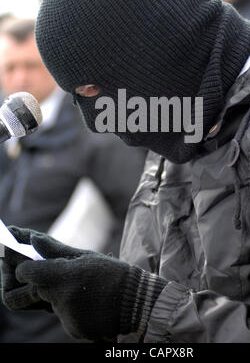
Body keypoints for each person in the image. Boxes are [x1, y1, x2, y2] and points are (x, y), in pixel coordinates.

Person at [1, 0, 250, 343]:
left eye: (92, 92)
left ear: (155, 53)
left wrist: (138, 305)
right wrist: (88, 285)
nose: (97, 121)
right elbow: (173, 286)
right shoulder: (178, 118)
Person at [0, 17, 146, 342]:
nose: (20, 78)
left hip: (61, 318)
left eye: (30, 66)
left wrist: (83, 277)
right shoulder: (5, 126)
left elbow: (138, 213)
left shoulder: (93, 129)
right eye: (9, 68)